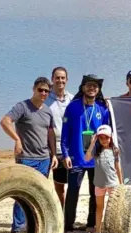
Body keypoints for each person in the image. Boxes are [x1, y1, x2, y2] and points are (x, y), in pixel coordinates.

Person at [0, 76, 57, 233]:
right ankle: (17, 230)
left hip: (44, 159)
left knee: (39, 193)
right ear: (34, 89)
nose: (43, 93)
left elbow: (50, 133)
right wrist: (17, 139)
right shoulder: (22, 107)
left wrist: (53, 154)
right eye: (40, 90)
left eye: (47, 91)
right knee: (22, 193)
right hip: (26, 158)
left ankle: (34, 229)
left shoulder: (47, 111)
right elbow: (5, 122)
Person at [61, 74, 110, 233]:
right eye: (88, 85)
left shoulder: (102, 108)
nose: (92, 88)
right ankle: (68, 225)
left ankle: (91, 224)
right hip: (76, 158)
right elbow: (65, 133)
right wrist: (65, 154)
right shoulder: (72, 107)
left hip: (96, 158)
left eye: (95, 86)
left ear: (98, 90)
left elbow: (108, 134)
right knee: (72, 192)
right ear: (83, 88)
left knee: (95, 193)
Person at [83, 125, 122, 233]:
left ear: (111, 137)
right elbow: (87, 158)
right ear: (97, 138)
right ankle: (98, 231)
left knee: (113, 208)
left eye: (106, 137)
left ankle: (113, 230)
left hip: (112, 184)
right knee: (99, 207)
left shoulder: (114, 150)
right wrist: (92, 143)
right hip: (99, 184)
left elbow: (118, 167)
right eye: (101, 138)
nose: (104, 140)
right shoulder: (96, 150)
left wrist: (121, 182)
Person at [46, 67, 73, 208]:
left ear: (67, 80)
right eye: (57, 78)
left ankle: (68, 214)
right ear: (52, 79)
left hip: (71, 148)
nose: (60, 80)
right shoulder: (45, 99)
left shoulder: (72, 99)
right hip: (54, 148)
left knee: (73, 184)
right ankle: (60, 211)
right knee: (59, 186)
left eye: (63, 78)